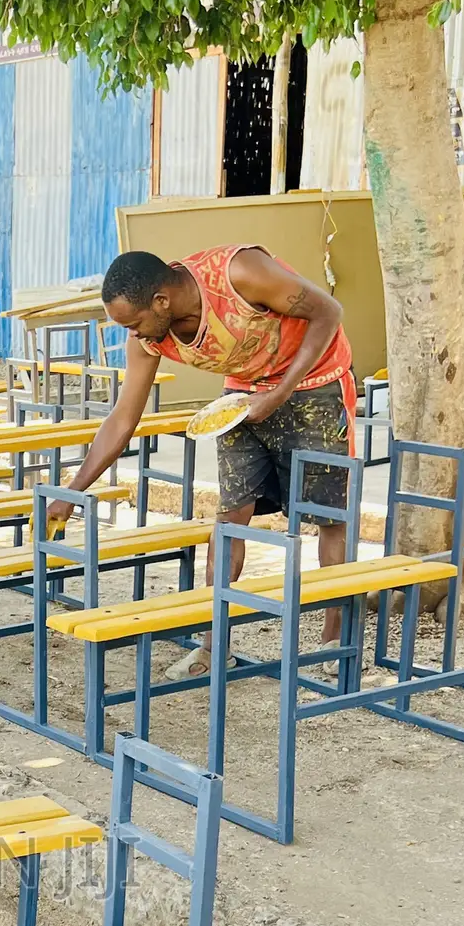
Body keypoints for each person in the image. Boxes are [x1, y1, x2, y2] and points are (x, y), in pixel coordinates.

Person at [47, 243, 357, 671]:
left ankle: (333, 642)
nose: (133, 336)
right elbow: (122, 419)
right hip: (245, 392)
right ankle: (215, 648)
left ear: (161, 301)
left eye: (135, 324)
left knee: (328, 516)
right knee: (229, 519)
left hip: (315, 383)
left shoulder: (240, 274)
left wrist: (279, 392)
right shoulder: (147, 338)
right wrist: (71, 491)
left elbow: (329, 312)